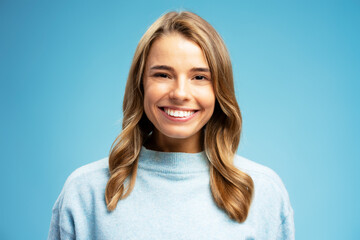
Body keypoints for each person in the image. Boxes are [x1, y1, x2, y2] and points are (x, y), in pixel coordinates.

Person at [48, 11, 294, 239]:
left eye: (199, 77)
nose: (179, 93)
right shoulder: (84, 192)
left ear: (220, 90)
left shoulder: (263, 191)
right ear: (140, 84)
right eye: (163, 75)